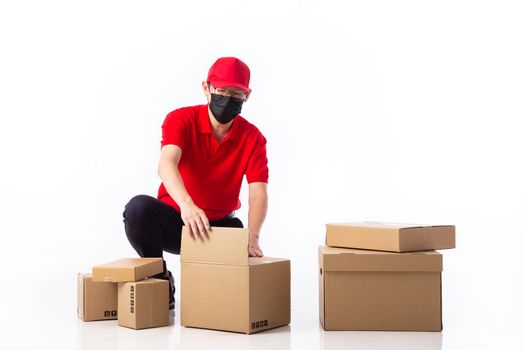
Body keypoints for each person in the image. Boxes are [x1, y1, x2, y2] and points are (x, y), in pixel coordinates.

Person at [122, 57, 269, 310]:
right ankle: (159, 278)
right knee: (138, 210)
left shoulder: (253, 137)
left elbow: (258, 192)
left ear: (247, 96)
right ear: (206, 88)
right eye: (221, 91)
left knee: (237, 238)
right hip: (176, 220)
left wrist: (253, 237)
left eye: (236, 93)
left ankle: (210, 296)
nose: (227, 98)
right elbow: (166, 163)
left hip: (217, 229)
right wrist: (188, 206)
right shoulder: (181, 119)